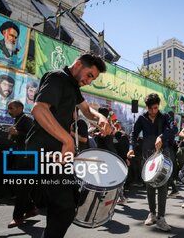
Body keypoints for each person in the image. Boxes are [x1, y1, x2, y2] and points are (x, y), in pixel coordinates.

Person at [26, 52, 110, 238]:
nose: (89, 81)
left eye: (93, 79)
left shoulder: (73, 86)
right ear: (78, 64)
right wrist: (67, 140)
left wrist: (102, 118)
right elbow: (39, 109)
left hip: (58, 154)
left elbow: (88, 111)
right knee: (64, 208)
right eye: (89, 75)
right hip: (45, 152)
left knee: (67, 204)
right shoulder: (57, 77)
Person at [127, 93, 172, 232]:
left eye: (156, 108)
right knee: (150, 186)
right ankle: (152, 213)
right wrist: (131, 148)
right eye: (151, 108)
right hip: (147, 155)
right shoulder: (141, 118)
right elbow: (134, 135)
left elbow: (173, 129)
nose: (153, 111)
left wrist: (162, 136)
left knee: (162, 186)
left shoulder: (165, 117)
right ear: (146, 107)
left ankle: (161, 218)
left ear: (158, 106)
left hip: (163, 155)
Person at [6, 100, 36, 228]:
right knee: (20, 186)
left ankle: (17, 217)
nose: (9, 111)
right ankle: (30, 209)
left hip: (28, 158)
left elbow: (32, 138)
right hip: (20, 157)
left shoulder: (26, 119)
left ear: (20, 108)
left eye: (11, 108)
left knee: (22, 187)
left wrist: (17, 133)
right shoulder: (18, 119)